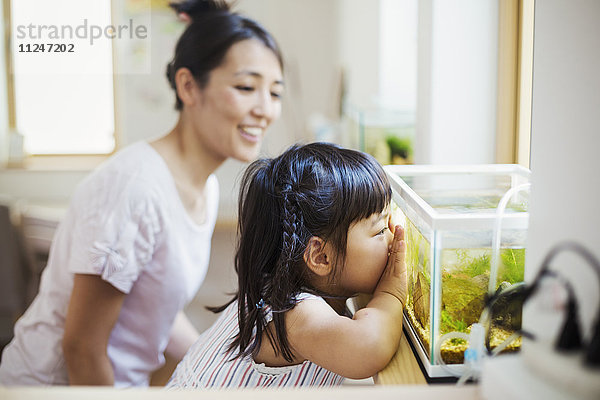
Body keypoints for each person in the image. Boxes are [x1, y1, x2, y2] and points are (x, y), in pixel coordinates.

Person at [0, 0, 284, 387]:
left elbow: (154, 312)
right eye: (246, 87)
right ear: (188, 86)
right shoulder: (134, 189)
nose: (265, 109)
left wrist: (221, 369)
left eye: (276, 92)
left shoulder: (206, 187)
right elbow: (82, 347)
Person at [166, 142, 407, 388]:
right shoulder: (295, 315)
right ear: (321, 257)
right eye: (379, 230)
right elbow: (368, 347)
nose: (393, 235)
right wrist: (392, 292)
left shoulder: (284, 287)